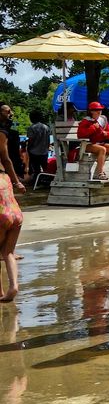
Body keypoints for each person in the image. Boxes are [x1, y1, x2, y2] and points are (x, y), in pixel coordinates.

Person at [0, 121, 23, 303]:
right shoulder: (4, 175)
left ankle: (0, 292)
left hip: (1, 216)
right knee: (8, 252)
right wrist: (18, 182)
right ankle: (14, 286)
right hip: (16, 215)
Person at [77, 102, 109, 180]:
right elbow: (80, 135)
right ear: (91, 111)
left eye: (100, 109)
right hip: (87, 145)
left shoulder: (102, 120)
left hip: (100, 143)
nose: (99, 111)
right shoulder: (86, 121)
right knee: (102, 149)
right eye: (96, 110)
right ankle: (100, 174)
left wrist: (106, 134)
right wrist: (93, 128)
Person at [25, 111, 50, 186]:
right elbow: (48, 139)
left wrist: (28, 148)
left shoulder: (32, 128)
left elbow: (31, 140)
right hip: (44, 151)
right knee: (45, 168)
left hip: (34, 151)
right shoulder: (46, 127)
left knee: (36, 169)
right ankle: (46, 181)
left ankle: (36, 182)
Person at [0, 105, 24, 182]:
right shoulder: (2, 132)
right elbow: (5, 159)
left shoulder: (11, 130)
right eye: (8, 111)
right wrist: (17, 182)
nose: (11, 113)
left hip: (11, 161)